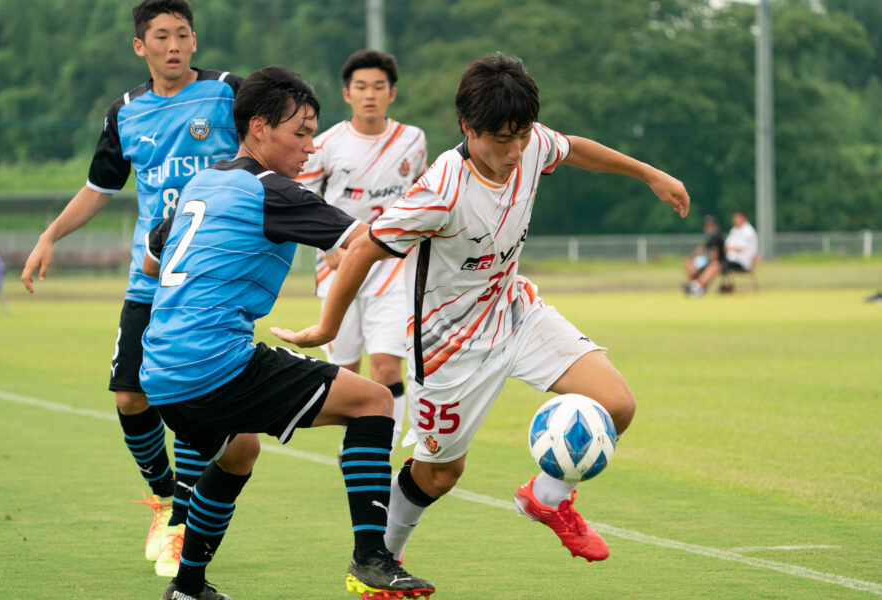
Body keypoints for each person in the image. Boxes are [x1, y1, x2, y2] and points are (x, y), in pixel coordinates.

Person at [275, 53, 690, 583]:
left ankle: (546, 498)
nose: (515, 151)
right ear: (468, 129)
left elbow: (575, 148)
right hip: (448, 345)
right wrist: (328, 327)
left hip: (515, 311)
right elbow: (361, 251)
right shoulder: (439, 190)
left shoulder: (529, 142)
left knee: (616, 404)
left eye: (522, 136)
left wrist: (651, 175)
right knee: (441, 473)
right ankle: (381, 558)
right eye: (500, 139)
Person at [140, 65, 435, 600]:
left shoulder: (200, 183)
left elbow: (151, 262)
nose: (309, 145)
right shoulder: (273, 192)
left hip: (160, 371)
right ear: (259, 128)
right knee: (372, 400)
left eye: (313, 132)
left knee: (239, 453)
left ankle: (187, 589)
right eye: (299, 132)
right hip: (214, 365)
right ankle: (373, 558)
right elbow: (366, 242)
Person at [19, 0, 241, 576]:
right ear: (140, 47)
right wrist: (50, 235)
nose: (174, 45)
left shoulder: (229, 94)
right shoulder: (126, 113)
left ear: (195, 41)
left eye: (183, 34)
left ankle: (185, 519)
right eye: (161, 36)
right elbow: (99, 187)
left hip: (212, 278)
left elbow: (272, 149)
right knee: (129, 396)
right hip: (150, 277)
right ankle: (166, 499)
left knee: (193, 397)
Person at [295, 49, 427, 448]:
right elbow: (300, 200)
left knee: (386, 366)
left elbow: (425, 197)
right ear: (347, 94)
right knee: (346, 371)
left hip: (392, 268)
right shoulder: (326, 144)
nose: (370, 94)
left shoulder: (413, 140)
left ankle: (381, 449)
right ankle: (353, 446)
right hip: (339, 271)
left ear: (392, 93)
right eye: (361, 87)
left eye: (378, 87)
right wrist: (327, 246)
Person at [685, 210, 758, 295]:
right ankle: (698, 286)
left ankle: (697, 286)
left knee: (715, 265)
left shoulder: (748, 231)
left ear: (743, 218)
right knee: (711, 264)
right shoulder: (735, 230)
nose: (734, 220)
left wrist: (727, 248)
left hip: (742, 261)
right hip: (731, 259)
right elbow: (726, 245)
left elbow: (738, 248)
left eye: (736, 218)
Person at [682, 215, 723, 296]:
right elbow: (702, 249)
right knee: (689, 264)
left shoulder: (716, 236)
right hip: (709, 260)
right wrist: (692, 257)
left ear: (715, 226)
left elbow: (715, 256)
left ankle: (697, 287)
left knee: (713, 266)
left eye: (710, 225)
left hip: (720, 262)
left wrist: (705, 262)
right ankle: (695, 286)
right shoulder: (711, 237)